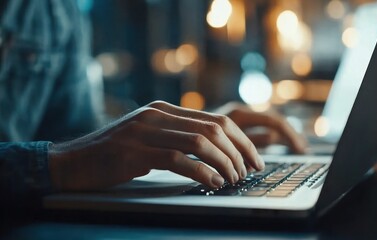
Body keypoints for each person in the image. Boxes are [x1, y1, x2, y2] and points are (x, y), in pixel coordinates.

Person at [0, 0, 306, 209]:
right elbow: (69, 158)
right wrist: (58, 164)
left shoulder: (55, 8)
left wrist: (183, 136)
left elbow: (78, 140)